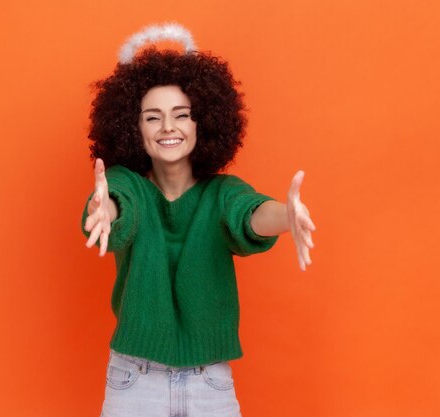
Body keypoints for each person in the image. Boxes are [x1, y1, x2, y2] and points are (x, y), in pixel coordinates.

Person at [81, 23, 315, 417]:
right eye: (152, 117)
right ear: (134, 129)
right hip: (134, 379)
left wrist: (286, 215)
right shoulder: (129, 185)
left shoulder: (222, 192)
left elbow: (248, 213)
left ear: (201, 122)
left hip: (210, 383)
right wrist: (104, 210)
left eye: (182, 115)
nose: (168, 127)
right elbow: (117, 204)